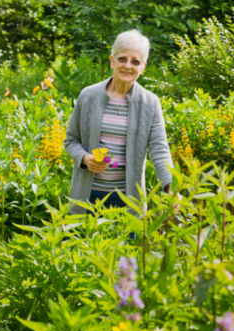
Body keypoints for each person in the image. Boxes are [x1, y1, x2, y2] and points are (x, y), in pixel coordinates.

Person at [64, 29, 174, 221]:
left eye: (135, 61)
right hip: (86, 199)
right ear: (112, 61)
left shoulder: (150, 103)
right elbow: (71, 140)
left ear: (143, 67)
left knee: (125, 252)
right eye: (122, 59)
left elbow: (160, 150)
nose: (128, 66)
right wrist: (84, 158)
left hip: (127, 202)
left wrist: (171, 187)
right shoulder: (88, 96)